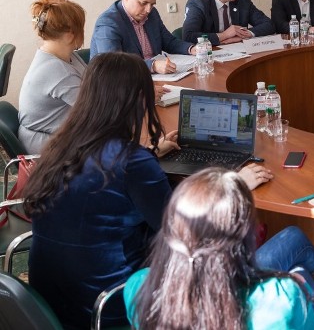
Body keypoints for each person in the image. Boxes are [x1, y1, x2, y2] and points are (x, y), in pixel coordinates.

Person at [21, 52, 274, 329]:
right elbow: (185, 231)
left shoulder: (59, 148)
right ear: (139, 99)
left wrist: (151, 152)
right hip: (110, 307)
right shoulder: (131, 161)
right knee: (289, 244)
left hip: (49, 305)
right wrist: (234, 183)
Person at [125, 169, 314, 329]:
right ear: (245, 235)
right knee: (303, 274)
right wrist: (302, 290)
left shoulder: (138, 287)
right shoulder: (280, 298)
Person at [18, 0, 86, 154]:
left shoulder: (61, 56)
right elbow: (96, 110)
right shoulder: (59, 72)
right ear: (70, 34)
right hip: (48, 146)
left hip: (59, 134)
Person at [90, 0, 194, 74]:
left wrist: (192, 49)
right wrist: (152, 66)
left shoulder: (152, 14)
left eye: (152, 4)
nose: (148, 10)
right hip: (119, 82)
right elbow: (114, 65)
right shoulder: (108, 23)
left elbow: (169, 42)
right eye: (143, 3)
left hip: (153, 78)